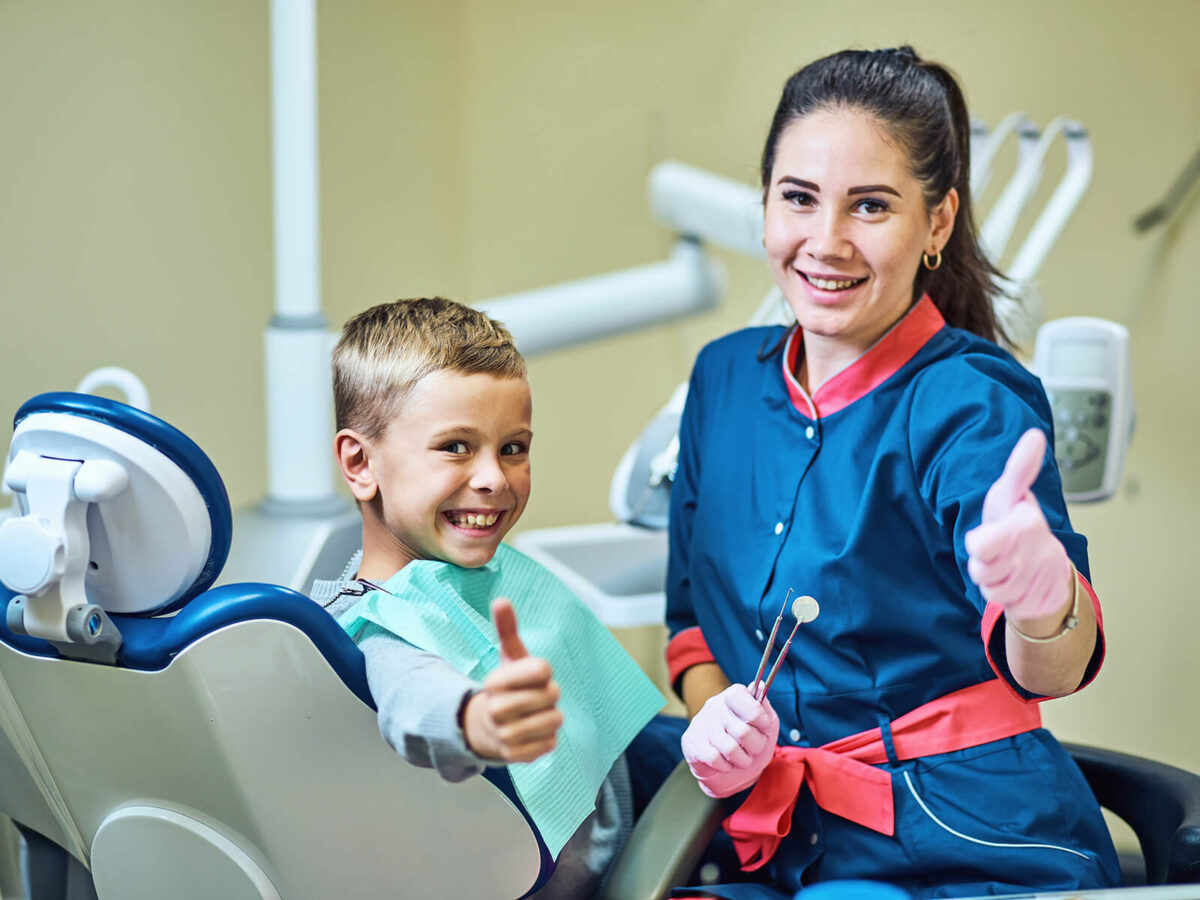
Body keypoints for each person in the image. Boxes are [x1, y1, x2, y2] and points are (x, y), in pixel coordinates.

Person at [666, 48, 1122, 899]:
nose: (826, 242)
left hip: (965, 839)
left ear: (938, 223)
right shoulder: (721, 382)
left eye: (870, 206)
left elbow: (1051, 668)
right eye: (798, 197)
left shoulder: (971, 404)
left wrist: (1044, 599)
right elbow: (691, 625)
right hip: (775, 838)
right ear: (764, 203)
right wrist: (716, 724)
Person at [310, 297, 666, 899]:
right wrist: (473, 719)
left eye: (513, 448)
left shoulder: (484, 572)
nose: (494, 479)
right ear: (360, 461)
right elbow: (412, 699)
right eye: (455, 447)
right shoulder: (374, 629)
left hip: (631, 804)